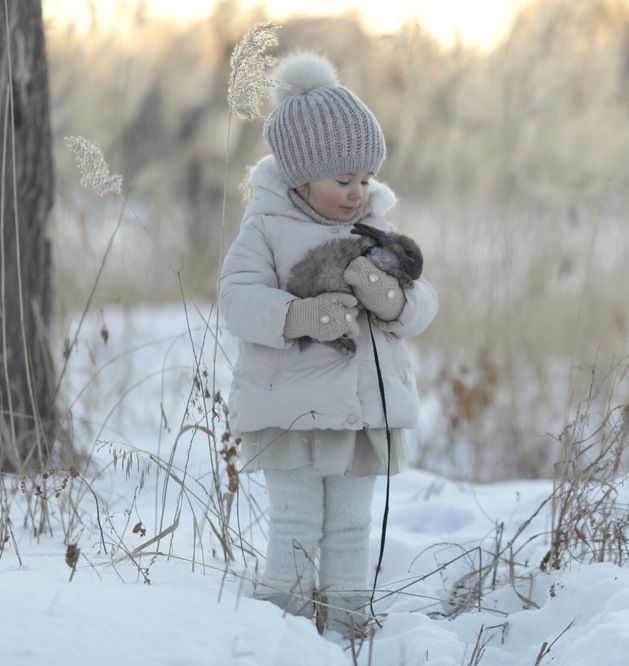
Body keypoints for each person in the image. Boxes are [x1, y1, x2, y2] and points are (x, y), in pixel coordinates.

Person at [219, 51, 438, 636]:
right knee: (294, 523)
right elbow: (236, 299)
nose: (357, 193)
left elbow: (423, 301)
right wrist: (300, 316)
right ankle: (281, 633)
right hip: (292, 413)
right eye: (342, 181)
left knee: (348, 526)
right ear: (299, 176)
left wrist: (397, 304)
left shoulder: (378, 230)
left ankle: (347, 625)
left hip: (362, 413)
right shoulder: (265, 227)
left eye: (365, 179)